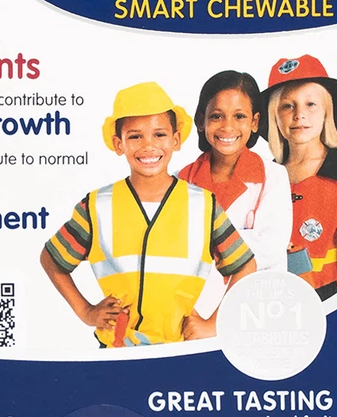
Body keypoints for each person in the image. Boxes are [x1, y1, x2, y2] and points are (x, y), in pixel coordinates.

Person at [40, 81, 255, 348]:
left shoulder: (204, 205)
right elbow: (52, 259)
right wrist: (86, 312)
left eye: (159, 134)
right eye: (135, 136)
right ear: (118, 144)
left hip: (180, 350)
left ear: (176, 140)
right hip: (117, 351)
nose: (148, 146)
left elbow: (245, 265)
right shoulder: (96, 206)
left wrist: (214, 323)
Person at [179, 71, 291, 274]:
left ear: (254, 122)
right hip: (195, 291)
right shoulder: (181, 180)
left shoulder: (274, 176)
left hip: (253, 289)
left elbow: (271, 247)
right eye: (216, 116)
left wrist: (202, 247)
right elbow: (174, 246)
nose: (228, 127)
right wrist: (237, 242)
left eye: (239, 116)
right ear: (201, 121)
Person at [260, 56, 337, 301]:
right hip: (270, 297)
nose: (299, 115)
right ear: (274, 116)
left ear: (326, 111)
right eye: (288, 106)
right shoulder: (263, 177)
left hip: (326, 299)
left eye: (311, 104)